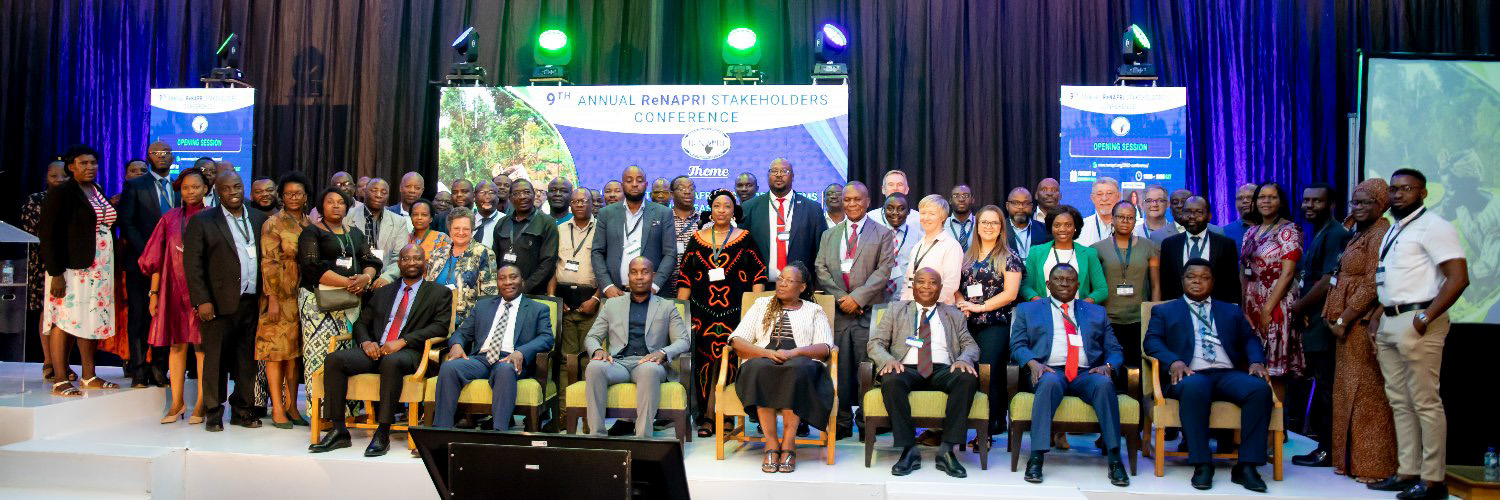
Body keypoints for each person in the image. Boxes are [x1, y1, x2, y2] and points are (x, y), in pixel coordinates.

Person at [1365, 168, 1469, 499]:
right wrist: (1378, 316)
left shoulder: (1434, 227)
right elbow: (1392, 280)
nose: (1397, 195)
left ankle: (1433, 480)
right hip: (1391, 320)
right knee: (1400, 401)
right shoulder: (1394, 228)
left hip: (1419, 320)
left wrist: (1427, 316)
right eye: (1394, 189)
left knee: (1425, 401)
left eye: (1406, 189)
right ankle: (1407, 471)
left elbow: (1458, 277)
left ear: (1422, 193)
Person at [1144, 258, 1274, 492]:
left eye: (1204, 278)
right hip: (1189, 373)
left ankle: (1246, 466)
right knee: (1196, 387)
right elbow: (1152, 341)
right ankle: (1202, 463)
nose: (1197, 282)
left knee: (1259, 389)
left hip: (1226, 372)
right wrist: (1173, 361)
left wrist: (1256, 361)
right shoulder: (1164, 310)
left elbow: (1249, 339)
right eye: (1191, 277)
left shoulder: (1230, 310)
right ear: (1182, 280)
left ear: (1213, 282)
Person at [310, 244, 453, 457]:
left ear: (425, 263)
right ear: (399, 263)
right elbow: (361, 323)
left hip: (409, 352)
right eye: (406, 258)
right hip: (376, 349)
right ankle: (339, 429)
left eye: (417, 258)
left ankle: (383, 430)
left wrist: (403, 341)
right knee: (334, 359)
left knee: (391, 362)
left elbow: (440, 327)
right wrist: (366, 343)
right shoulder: (383, 292)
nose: (411, 262)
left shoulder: (439, 293)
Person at [1011, 263, 1129, 486]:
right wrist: (1033, 364)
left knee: (1104, 385)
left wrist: (1108, 367)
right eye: (1058, 279)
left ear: (1078, 285)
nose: (1064, 283)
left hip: (1087, 372)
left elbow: (1114, 350)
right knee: (1048, 383)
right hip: (1049, 369)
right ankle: (1036, 457)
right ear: (1048, 284)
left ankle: (1115, 459)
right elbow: (1017, 345)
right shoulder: (1029, 310)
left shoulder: (1096, 311)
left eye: (1069, 280)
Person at [868, 268, 980, 478]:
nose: (927, 287)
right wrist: (888, 360)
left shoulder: (953, 314)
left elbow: (970, 345)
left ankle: (947, 450)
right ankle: (909, 450)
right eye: (921, 282)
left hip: (942, 369)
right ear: (913, 285)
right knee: (890, 379)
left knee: (966, 378)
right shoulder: (896, 309)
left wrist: (964, 359)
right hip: (906, 368)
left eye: (933, 283)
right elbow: (876, 343)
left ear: (940, 288)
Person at [1321, 178, 1398, 482]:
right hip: (1345, 329)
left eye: (1367, 202)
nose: (1359, 207)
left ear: (1382, 204)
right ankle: (1351, 462)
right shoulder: (1358, 231)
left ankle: (1373, 466)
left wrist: (1344, 319)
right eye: (1355, 201)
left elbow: (1372, 283)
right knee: (1347, 394)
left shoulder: (1380, 234)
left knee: (1367, 398)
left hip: (1361, 325)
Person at [677, 189, 768, 437]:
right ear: (710, 208)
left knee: (732, 361)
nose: (721, 211)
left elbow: (759, 274)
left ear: (734, 210)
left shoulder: (745, 238)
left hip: (736, 314)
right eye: (717, 206)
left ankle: (727, 415)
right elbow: (685, 277)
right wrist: (680, 313)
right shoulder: (697, 238)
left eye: (727, 207)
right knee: (704, 363)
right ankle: (706, 416)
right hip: (702, 313)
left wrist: (755, 307)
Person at [182, 170, 269, 430]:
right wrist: (201, 301)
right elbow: (193, 264)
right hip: (217, 303)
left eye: (237, 187)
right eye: (227, 188)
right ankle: (213, 411)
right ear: (217, 192)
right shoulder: (204, 221)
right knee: (216, 360)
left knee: (247, 359)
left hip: (251, 301)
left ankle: (242, 410)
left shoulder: (258, 218)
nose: (233, 192)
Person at [730, 263, 835, 473]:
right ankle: (770, 442)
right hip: (763, 358)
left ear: (802, 287)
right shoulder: (761, 304)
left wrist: (794, 353)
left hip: (800, 361)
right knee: (759, 369)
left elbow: (825, 347)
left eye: (789, 281)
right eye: (780, 279)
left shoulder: (814, 310)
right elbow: (736, 340)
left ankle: (788, 443)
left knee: (795, 370)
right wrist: (767, 353)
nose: (782, 284)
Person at [812, 182, 893, 439]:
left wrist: (857, 299)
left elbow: (883, 272)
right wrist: (842, 299)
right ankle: (842, 422)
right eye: (847, 200)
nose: (852, 204)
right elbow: (821, 270)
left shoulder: (882, 234)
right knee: (838, 370)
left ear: (868, 201)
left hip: (867, 313)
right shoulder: (830, 235)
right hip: (838, 314)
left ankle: (866, 422)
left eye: (858, 199)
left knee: (867, 370)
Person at [39, 145, 120, 396]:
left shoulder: (96, 190)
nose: (89, 167)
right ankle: (60, 377)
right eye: (83, 163)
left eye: (93, 163)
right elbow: (49, 234)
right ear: (71, 167)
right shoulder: (63, 192)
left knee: (92, 318)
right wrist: (56, 273)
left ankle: (88, 375)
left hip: (99, 268)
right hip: (71, 268)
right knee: (65, 319)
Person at [434, 263, 553, 431]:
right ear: (497, 283)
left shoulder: (538, 309)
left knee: (505, 369)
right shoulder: (483, 306)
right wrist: (457, 345)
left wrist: (521, 352)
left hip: (511, 359)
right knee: (449, 367)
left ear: (522, 282)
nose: (507, 282)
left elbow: (547, 338)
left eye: (513, 277)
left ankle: (499, 433)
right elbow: (462, 332)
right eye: (502, 278)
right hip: (482, 359)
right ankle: (441, 431)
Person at [583, 256, 691, 438]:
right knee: (594, 367)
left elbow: (683, 340)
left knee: (649, 370)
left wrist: (663, 352)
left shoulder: (667, 306)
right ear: (628, 277)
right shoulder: (612, 305)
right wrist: (598, 350)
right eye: (634, 272)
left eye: (644, 272)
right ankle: (597, 437)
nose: (639, 277)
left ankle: (643, 438)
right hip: (618, 363)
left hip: (649, 363)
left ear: (653, 276)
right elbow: (592, 337)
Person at [297, 188, 383, 414]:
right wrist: (349, 283)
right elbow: (312, 268)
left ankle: (347, 412)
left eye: (340, 202)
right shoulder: (311, 233)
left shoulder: (354, 233)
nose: (336, 206)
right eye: (330, 202)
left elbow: (371, 259)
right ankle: (321, 413)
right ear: (321, 206)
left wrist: (366, 277)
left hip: (351, 302)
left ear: (347, 207)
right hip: (319, 305)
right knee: (320, 356)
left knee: (347, 353)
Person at [1288, 182, 1353, 468]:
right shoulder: (1320, 233)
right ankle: (1325, 447)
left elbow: (1329, 280)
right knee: (1322, 386)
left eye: (1316, 201)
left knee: (1327, 389)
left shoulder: (1337, 234)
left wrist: (1298, 307)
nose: (1309, 206)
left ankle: (1328, 449)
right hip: (1312, 320)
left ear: (1332, 205)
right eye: (1306, 201)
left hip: (1323, 324)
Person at [139, 167, 210, 424]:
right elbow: (155, 260)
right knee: (176, 345)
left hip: (202, 292)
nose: (191, 191)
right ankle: (177, 402)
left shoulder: (213, 217)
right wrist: (154, 294)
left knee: (202, 348)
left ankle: (201, 404)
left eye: (196, 187)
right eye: (186, 187)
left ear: (206, 189)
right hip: (172, 290)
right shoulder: (169, 218)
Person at [955, 205, 1023, 437]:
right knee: (968, 371)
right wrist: (962, 303)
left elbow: (1010, 294)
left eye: (994, 223)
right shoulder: (966, 254)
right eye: (984, 222)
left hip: (995, 323)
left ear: (1001, 228)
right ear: (977, 225)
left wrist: (979, 307)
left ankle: (993, 423)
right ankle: (970, 420)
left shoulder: (1009, 257)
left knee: (989, 371)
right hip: (966, 323)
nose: (988, 227)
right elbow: (955, 286)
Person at [116, 141, 180, 387]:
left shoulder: (178, 189)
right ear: (148, 156)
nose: (161, 157)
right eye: (156, 153)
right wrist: (149, 253)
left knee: (165, 317)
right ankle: (139, 368)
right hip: (141, 263)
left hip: (173, 265)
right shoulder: (135, 186)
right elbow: (128, 223)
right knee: (140, 316)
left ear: (172, 158)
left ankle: (159, 369)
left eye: (166, 153)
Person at [254, 172, 313, 429]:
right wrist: (273, 299)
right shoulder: (273, 223)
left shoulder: (311, 223)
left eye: (298, 193)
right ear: (282, 196)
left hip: (303, 296)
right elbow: (268, 263)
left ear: (306, 196)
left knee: (294, 354)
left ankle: (291, 406)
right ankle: (277, 407)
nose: (293, 198)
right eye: (288, 194)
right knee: (275, 353)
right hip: (279, 295)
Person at [1240, 182, 1304, 400]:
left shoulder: (1289, 230)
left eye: (1272, 197)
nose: (1266, 202)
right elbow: (1244, 271)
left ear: (1281, 202)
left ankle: (1276, 428)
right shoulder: (1250, 232)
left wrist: (1268, 308)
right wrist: (1243, 307)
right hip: (1251, 302)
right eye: (1261, 197)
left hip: (1277, 302)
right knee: (1252, 361)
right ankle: (1257, 420)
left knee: (1275, 369)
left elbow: (1288, 274)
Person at [1090, 201, 1161, 369]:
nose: (1125, 221)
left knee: (1137, 365)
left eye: (1130, 218)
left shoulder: (1149, 247)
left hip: (1139, 318)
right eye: (1120, 217)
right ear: (1112, 219)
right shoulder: (1097, 249)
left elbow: (1156, 285)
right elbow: (1092, 288)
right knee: (1109, 365)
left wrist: (1155, 313)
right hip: (1107, 318)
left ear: (1135, 220)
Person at [592, 166, 676, 298]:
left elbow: (670, 254)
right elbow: (597, 252)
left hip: (652, 294)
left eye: (639, 180)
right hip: (614, 294)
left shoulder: (663, 213)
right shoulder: (606, 213)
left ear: (646, 184)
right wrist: (607, 286)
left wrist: (654, 286)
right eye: (629, 180)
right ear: (622, 184)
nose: (635, 184)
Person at [738, 158, 826, 285]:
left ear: (793, 176)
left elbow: (821, 253)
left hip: (800, 289)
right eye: (774, 171)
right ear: (768, 176)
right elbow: (742, 251)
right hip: (759, 287)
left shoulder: (812, 209)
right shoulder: (749, 208)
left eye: (784, 171)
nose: (779, 175)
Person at [21, 160, 70, 383]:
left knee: (69, 315)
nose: (59, 180)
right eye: (54, 176)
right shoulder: (36, 200)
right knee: (47, 312)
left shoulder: (78, 199)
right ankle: (49, 361)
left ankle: (64, 363)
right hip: (45, 263)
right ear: (46, 178)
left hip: (74, 263)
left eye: (64, 176)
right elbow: (35, 233)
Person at [550, 188, 602, 360]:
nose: (579, 204)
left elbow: (606, 269)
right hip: (564, 304)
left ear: (592, 203)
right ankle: (567, 388)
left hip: (591, 303)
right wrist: (554, 300)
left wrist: (595, 299)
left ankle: (587, 388)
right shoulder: (559, 230)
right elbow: (552, 266)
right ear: (570, 204)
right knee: (567, 358)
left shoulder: (602, 230)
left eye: (584, 201)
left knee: (589, 356)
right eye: (575, 201)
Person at [425, 207, 498, 328]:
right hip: (433, 319)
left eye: (466, 229)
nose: (461, 232)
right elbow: (427, 288)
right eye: (456, 228)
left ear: (472, 230)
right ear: (449, 229)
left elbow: (488, 297)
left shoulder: (484, 253)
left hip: (465, 324)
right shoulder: (438, 253)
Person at [1160, 197, 1242, 303]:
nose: (1192, 216)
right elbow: (1166, 284)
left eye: (1198, 212)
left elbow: (1232, 284)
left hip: (1216, 311)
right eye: (1187, 212)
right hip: (1178, 312)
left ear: (1209, 216)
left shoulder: (1225, 244)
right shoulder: (1169, 244)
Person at [1020, 205, 1107, 303]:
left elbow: (1101, 289)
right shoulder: (1036, 252)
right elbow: (1025, 286)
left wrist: (1081, 306)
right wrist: (1041, 303)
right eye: (1057, 225)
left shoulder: (1089, 254)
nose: (1062, 229)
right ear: (1051, 227)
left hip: (1078, 315)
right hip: (1044, 313)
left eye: (1068, 225)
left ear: (1075, 227)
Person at [491, 179, 558, 295]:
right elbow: (494, 260)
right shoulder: (502, 223)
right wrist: (502, 286)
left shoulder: (547, 223)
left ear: (533, 195)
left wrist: (524, 288)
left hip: (533, 293)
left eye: (527, 192)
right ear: (510, 198)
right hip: (504, 292)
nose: (522, 197)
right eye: (516, 193)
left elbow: (548, 263)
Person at [347, 178, 414, 287]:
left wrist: (387, 277)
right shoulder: (347, 217)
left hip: (383, 282)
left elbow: (400, 257)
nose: (379, 195)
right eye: (374, 191)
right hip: (353, 280)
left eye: (384, 192)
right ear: (365, 192)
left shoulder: (398, 222)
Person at [897, 195, 964, 303]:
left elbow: (950, 285)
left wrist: (926, 307)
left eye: (931, 214)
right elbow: (908, 282)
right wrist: (904, 306)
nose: (925, 218)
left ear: (943, 217)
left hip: (937, 312)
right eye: (923, 213)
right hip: (912, 311)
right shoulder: (917, 246)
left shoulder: (951, 246)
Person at [1003, 187, 1052, 278]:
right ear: (1007, 206)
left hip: (1036, 285)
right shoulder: (999, 230)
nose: (1021, 207)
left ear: (1032, 206)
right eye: (1016, 203)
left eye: (1025, 203)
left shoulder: (1045, 230)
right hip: (1007, 284)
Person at [882, 194, 919, 300]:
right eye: (890, 208)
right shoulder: (875, 234)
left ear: (908, 212)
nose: (895, 212)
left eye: (901, 209)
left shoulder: (918, 237)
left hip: (908, 296)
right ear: (883, 210)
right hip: (879, 297)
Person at [666, 176, 698, 297]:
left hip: (696, 289)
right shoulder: (663, 219)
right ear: (672, 194)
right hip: (666, 288)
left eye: (691, 188)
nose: (687, 191)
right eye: (681, 188)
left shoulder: (704, 222)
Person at [1078, 177, 1121, 247]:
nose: (1104, 198)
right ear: (1092, 198)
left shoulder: (1132, 227)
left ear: (1118, 197)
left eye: (1109, 193)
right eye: (1099, 194)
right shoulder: (1081, 227)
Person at [407, 200, 452, 265]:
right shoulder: (405, 238)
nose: (419, 218)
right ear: (411, 217)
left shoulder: (442, 238)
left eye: (424, 215)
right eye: (415, 214)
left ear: (431, 219)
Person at [1221, 183, 1259, 248]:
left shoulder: (1274, 228)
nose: (1245, 201)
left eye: (1250, 197)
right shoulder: (1225, 232)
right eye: (1240, 198)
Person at [945, 185, 976, 252]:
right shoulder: (942, 225)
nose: (961, 199)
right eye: (956, 196)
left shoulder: (981, 224)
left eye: (966, 195)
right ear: (950, 200)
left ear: (972, 200)